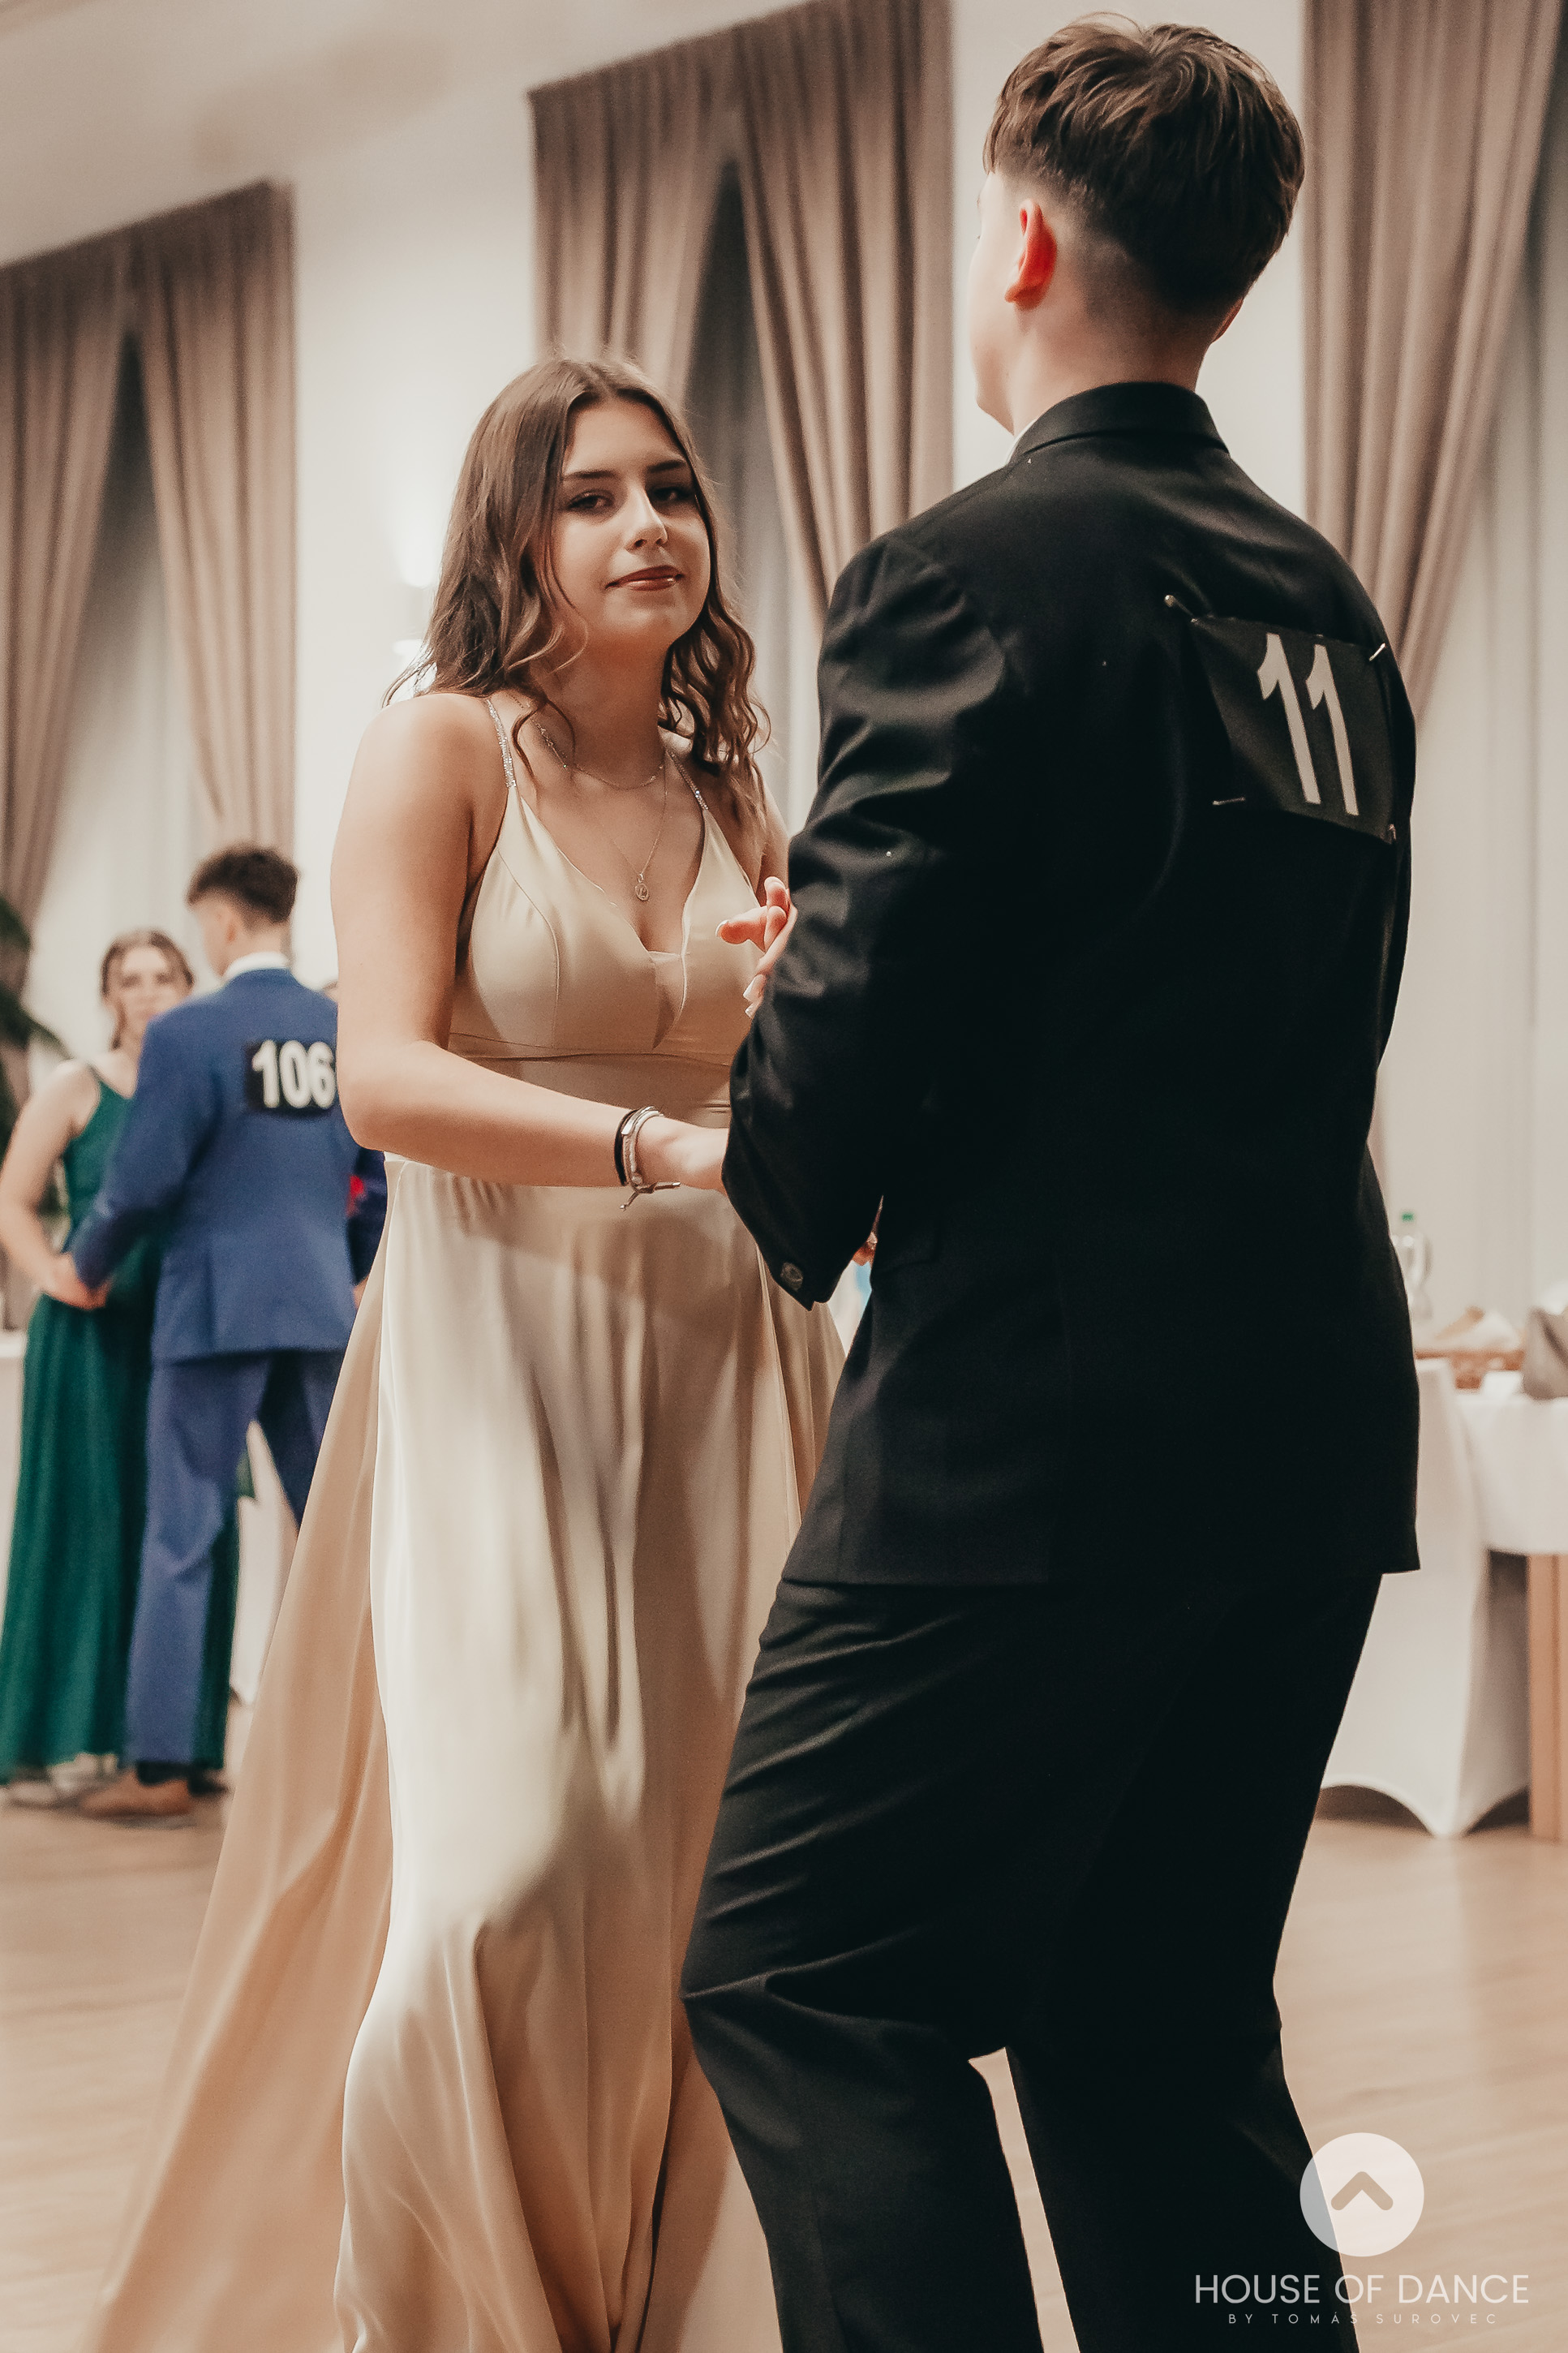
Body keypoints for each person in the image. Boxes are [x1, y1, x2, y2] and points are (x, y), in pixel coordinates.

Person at [679, 23, 1419, 2353]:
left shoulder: (960, 570)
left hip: (1030, 1428)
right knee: (1152, 2018)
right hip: (1301, 1419)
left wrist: (788, 1086)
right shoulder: (1324, 602)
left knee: (803, 1975)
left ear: (1016, 240)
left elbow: (838, 1070)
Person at [79, 358, 839, 2353]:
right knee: (511, 1867)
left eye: (669, 488)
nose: (647, 524)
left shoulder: (733, 789)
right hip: (508, 1340)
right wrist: (661, 1144)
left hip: (731, 1359)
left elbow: (784, 1083)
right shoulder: (439, 747)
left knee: (718, 1870)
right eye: (590, 495)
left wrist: (818, 1071)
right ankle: (459, 2310)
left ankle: (697, 2309)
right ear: (514, 531)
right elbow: (389, 1082)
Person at [68, 850, 385, 1824]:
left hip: (211, 1311)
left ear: (221, 921)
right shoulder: (343, 1026)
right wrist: (343, 1259)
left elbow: (141, 1180)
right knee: (343, 1537)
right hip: (319, 1307)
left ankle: (162, 1767)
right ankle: (371, 1755)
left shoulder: (190, 1033)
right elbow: (374, 1175)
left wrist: (86, 1265)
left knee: (182, 1536)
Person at [0, 931, 239, 1802]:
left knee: (186, 1529)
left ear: (187, 985)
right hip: (91, 1334)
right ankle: (60, 1739)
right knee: (88, 1524)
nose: (146, 993)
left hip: (187, 1325)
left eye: (162, 977)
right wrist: (54, 1274)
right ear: (109, 996)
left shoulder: (212, 1078)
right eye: (129, 980)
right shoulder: (76, 1086)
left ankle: (177, 1747)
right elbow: (14, 1200)